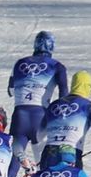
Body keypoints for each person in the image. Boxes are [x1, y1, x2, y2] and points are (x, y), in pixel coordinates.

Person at [7, 33, 67, 168]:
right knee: (45, 167)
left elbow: (10, 91)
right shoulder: (57, 66)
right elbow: (64, 96)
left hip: (19, 116)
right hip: (41, 116)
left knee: (13, 164)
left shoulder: (19, 63)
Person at [41, 70, 91, 172]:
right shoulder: (90, 106)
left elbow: (39, 134)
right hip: (72, 152)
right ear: (87, 87)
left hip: (49, 152)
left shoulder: (54, 104)